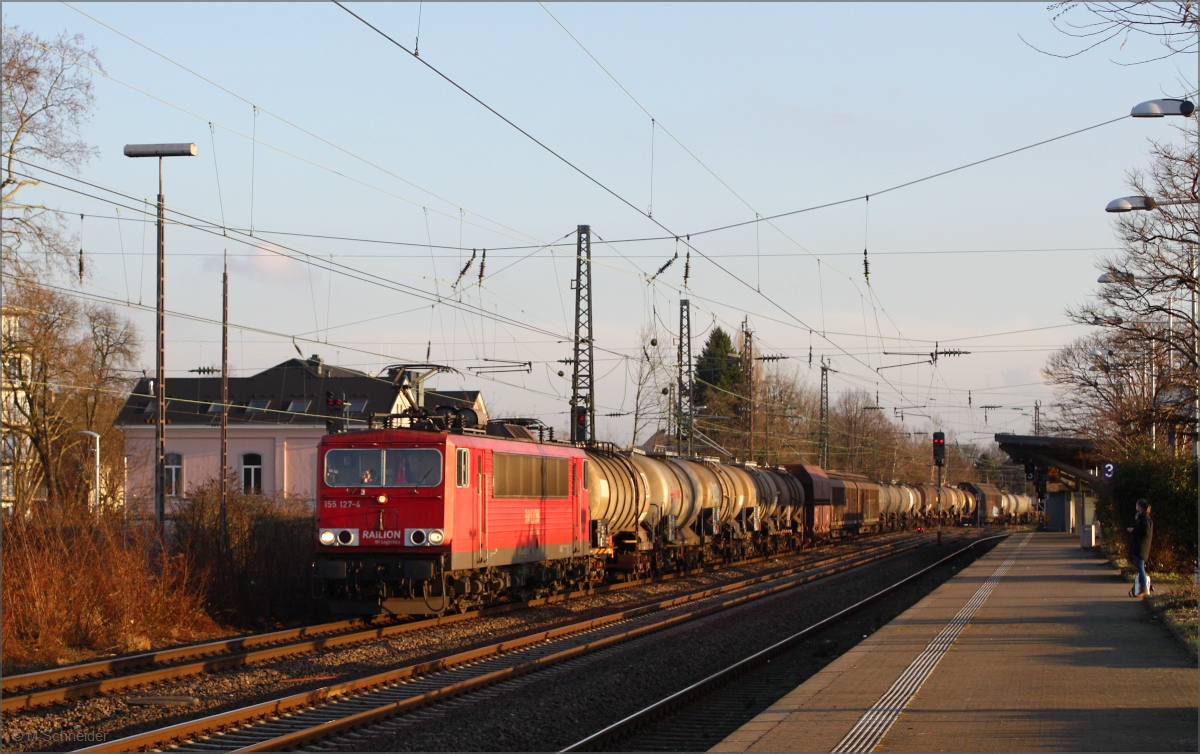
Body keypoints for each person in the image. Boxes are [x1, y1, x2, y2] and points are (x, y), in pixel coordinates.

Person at [1125, 499, 1154, 598]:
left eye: (1137, 505)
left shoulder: (1144, 519)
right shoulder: (1143, 518)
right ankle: (1143, 587)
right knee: (1140, 567)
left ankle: (1144, 589)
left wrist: (1133, 530)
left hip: (1142, 546)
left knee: (1140, 567)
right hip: (1141, 546)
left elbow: (1145, 532)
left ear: (1140, 507)